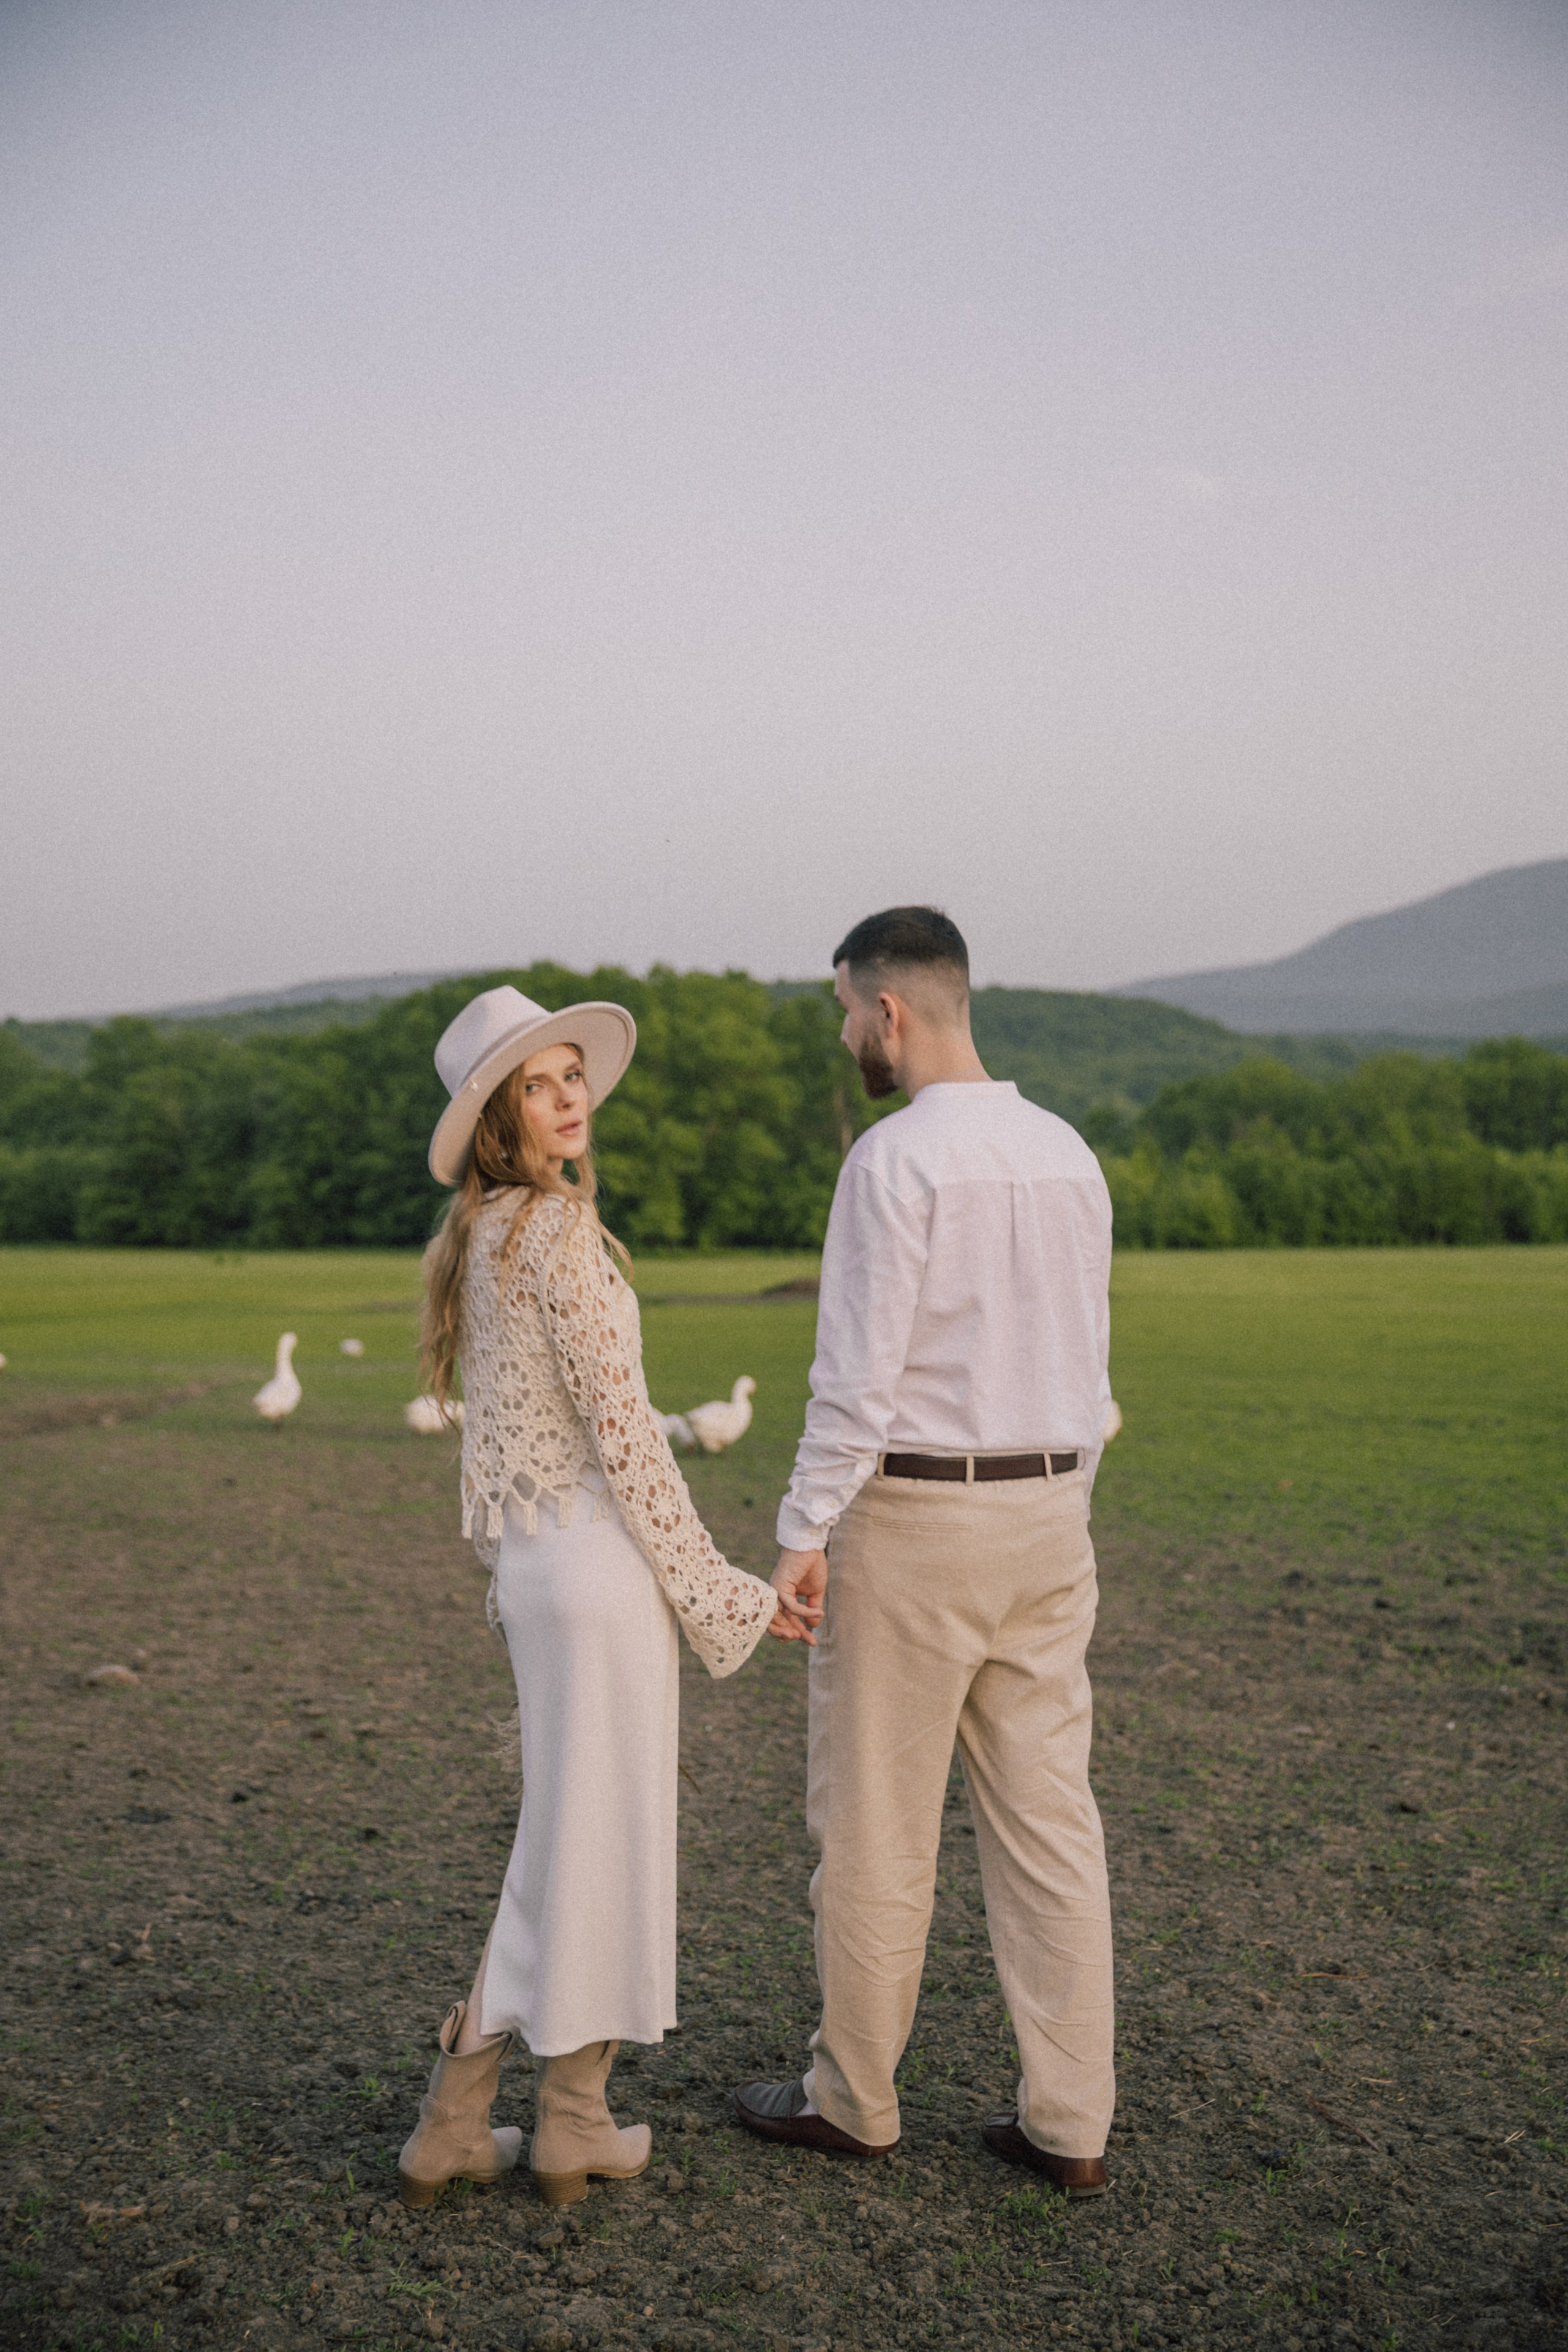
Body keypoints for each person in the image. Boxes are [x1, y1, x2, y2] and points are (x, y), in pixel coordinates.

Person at [395, 984, 804, 2212]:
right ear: (498, 1119)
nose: (569, 1096)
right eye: (539, 1083)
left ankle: (525, 2118)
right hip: (592, 1567)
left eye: (572, 1074)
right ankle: (516, 2112)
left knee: (574, 1837)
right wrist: (727, 1593)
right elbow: (626, 1440)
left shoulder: (486, 1234)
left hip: (539, 1570)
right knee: (593, 1839)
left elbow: (519, 1441)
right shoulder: (556, 1235)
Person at [733, 907, 1117, 2196]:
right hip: (1051, 1518)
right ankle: (1070, 2122)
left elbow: (854, 1384)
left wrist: (800, 1536)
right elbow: (1091, 1369)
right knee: (1050, 1825)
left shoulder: (891, 1162)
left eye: (846, 1011)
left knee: (874, 1824)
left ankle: (853, 2100)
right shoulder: (1067, 1152)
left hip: (913, 1523)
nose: (846, 1034)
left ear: (888, 1011)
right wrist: (1066, 1494)